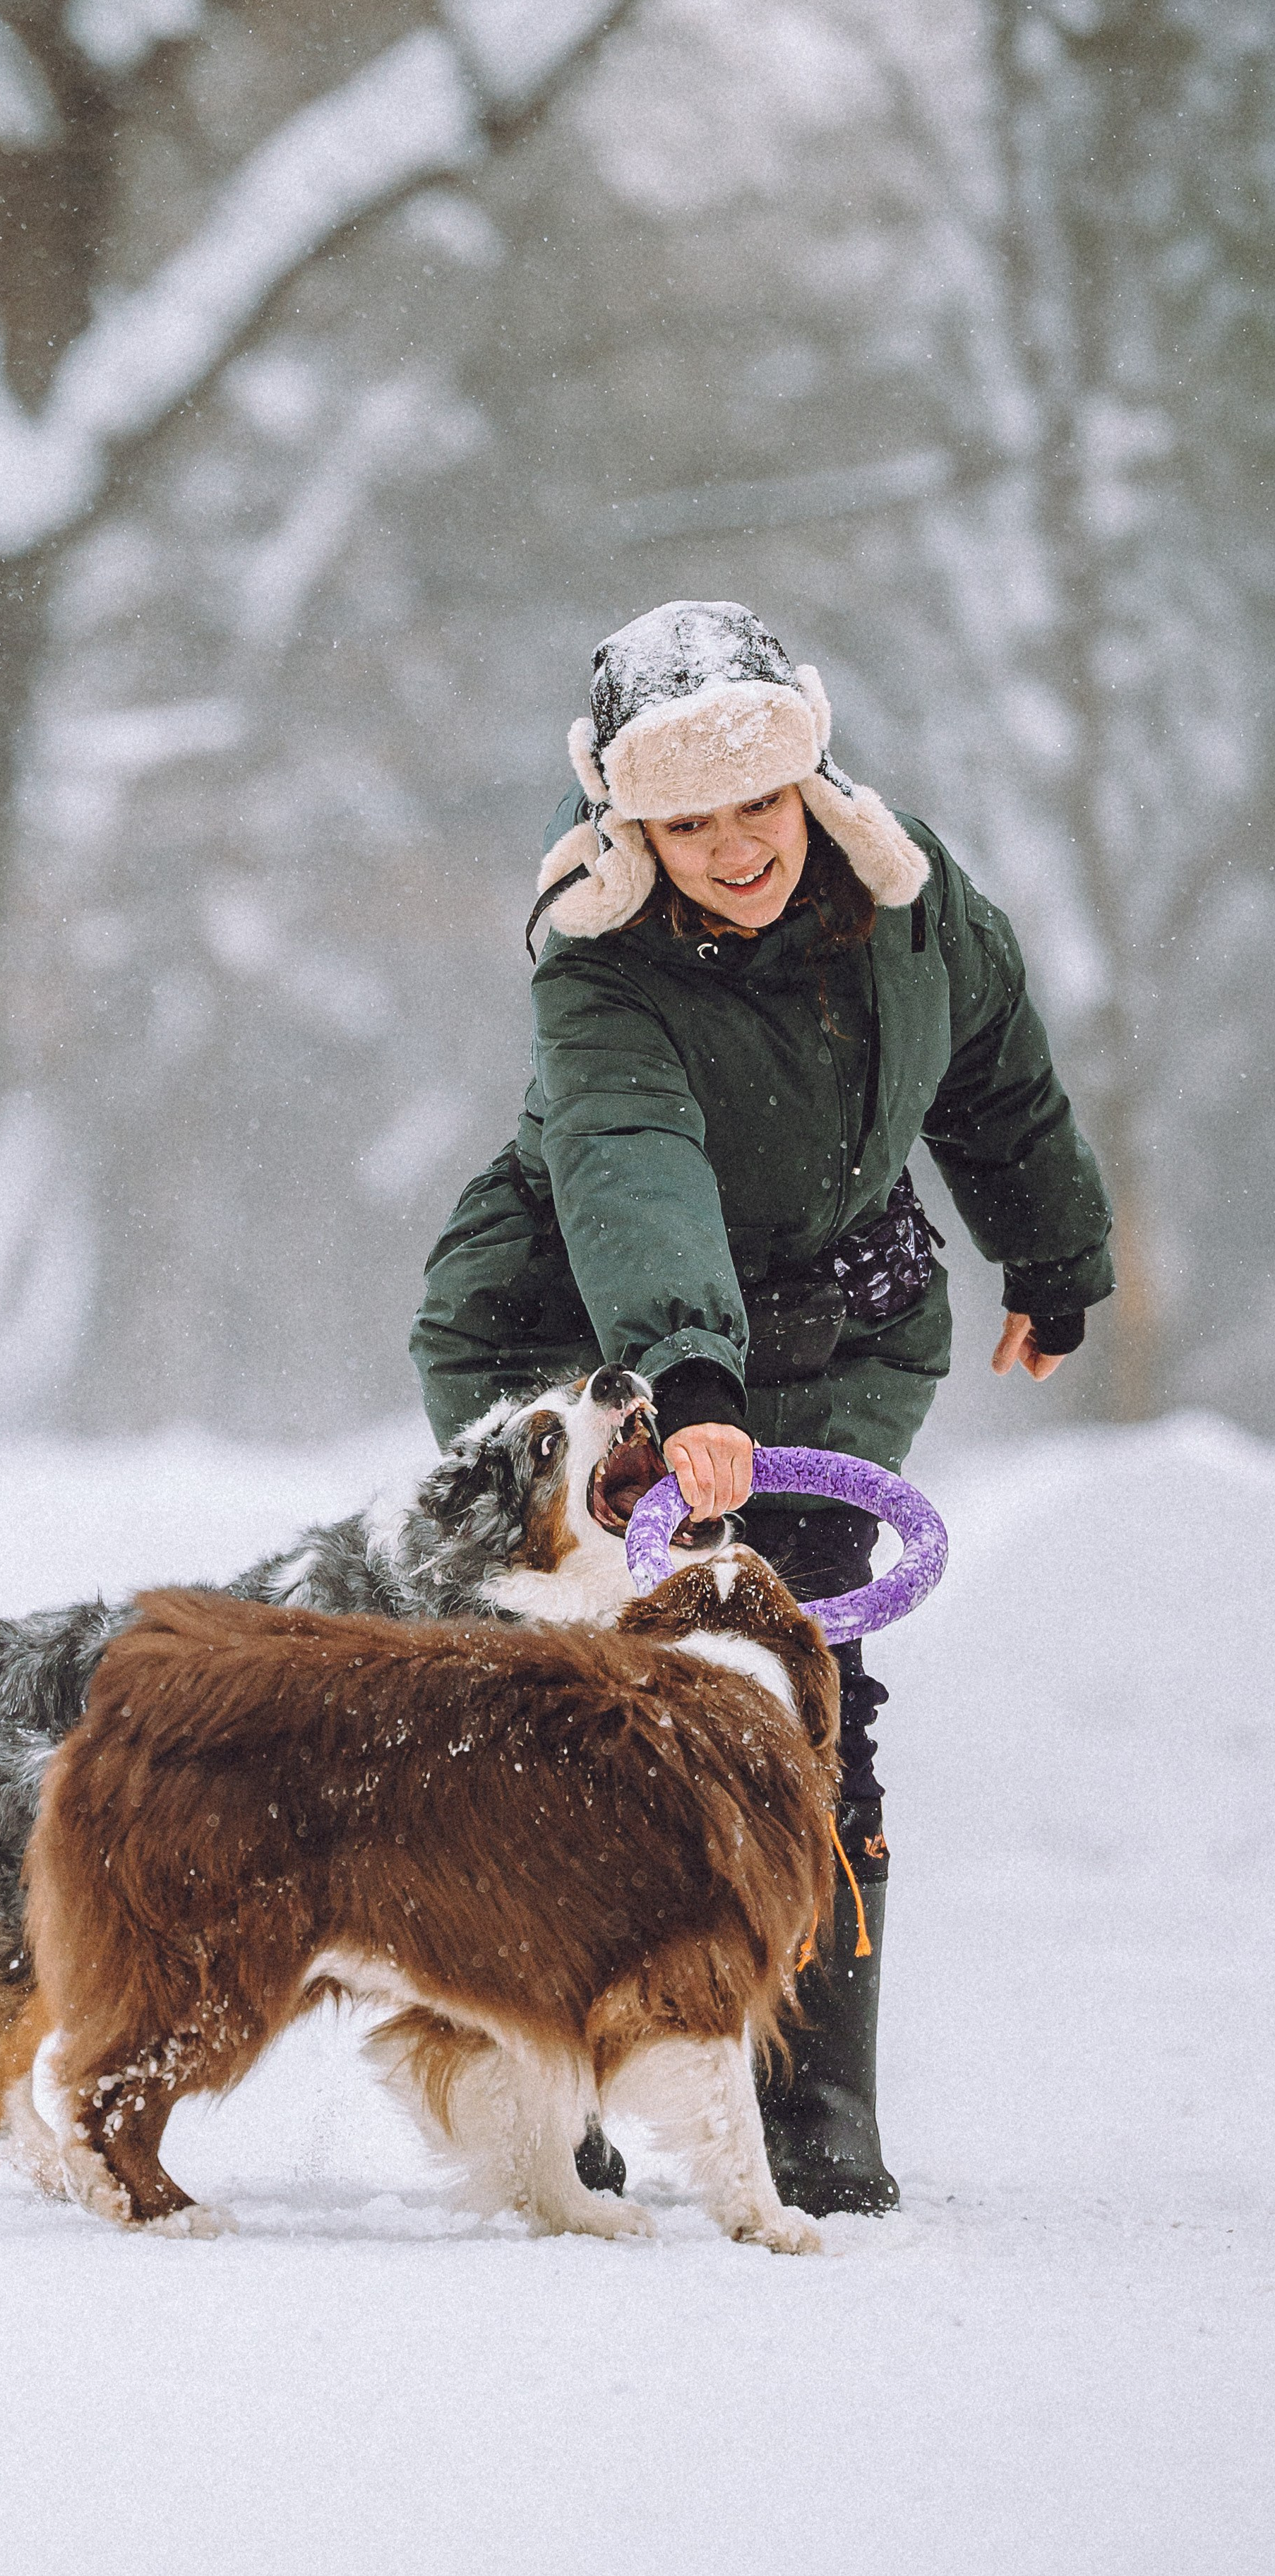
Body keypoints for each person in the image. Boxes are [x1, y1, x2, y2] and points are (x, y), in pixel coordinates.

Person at [410, 600, 1113, 2216]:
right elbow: (631, 1165)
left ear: (810, 778)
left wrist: (1051, 1252)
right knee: (572, 1716)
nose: (732, 846)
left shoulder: (907, 896)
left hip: (832, 1319)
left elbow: (996, 1071)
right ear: (626, 821)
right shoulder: (597, 963)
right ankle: (551, 2067)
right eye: (684, 817)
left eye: (757, 802)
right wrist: (685, 1377)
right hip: (577, 1339)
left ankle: (809, 2095)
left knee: (802, 1691)